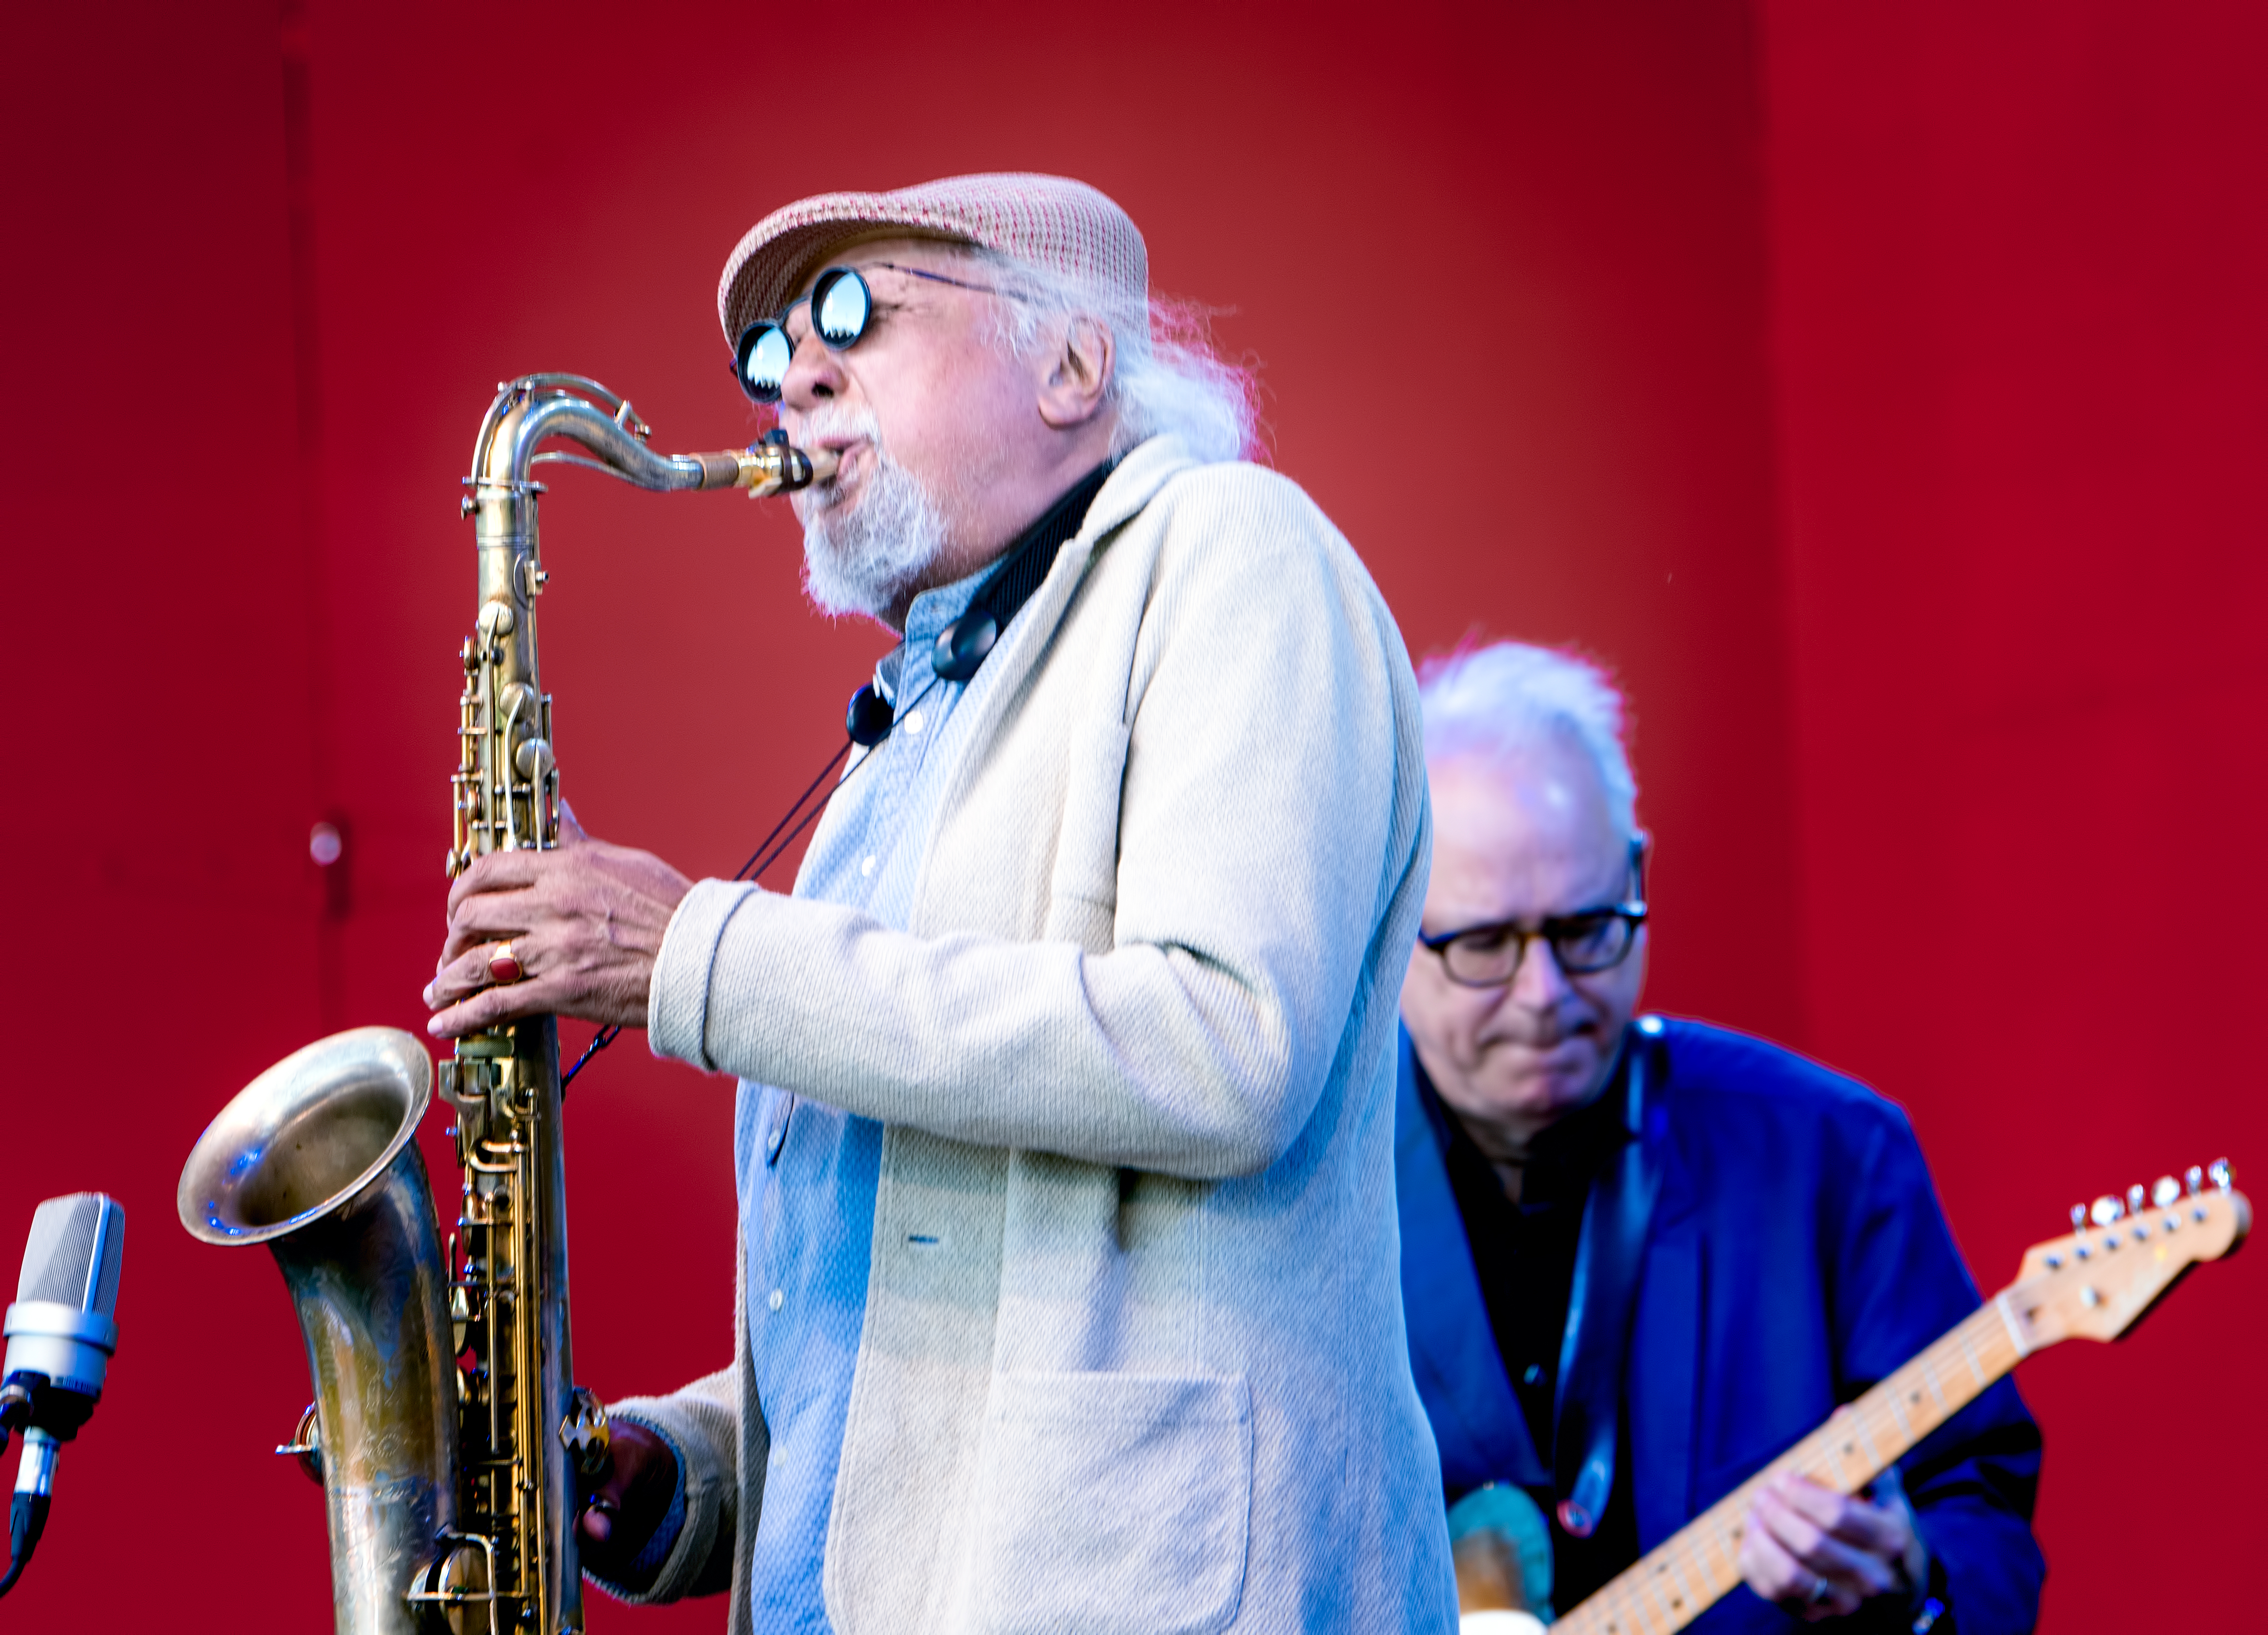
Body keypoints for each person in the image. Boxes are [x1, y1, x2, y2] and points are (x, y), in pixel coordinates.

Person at [422, 173, 1456, 1633]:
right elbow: (931, 1264)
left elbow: (1227, 1043)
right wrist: (686, 1471)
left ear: (1072, 362)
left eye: (856, 313)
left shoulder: (1234, 548)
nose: (798, 377)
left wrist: (693, 950)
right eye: (774, 353)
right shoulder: (910, 737)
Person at [1396, 642, 2044, 1632]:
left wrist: (1913, 1587)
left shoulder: (1835, 1152)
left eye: (1585, 930)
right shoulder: (1282, 1197)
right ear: (1390, 920)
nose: (1545, 995)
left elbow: (1983, 1519)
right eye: (1483, 943)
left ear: (1638, 877)